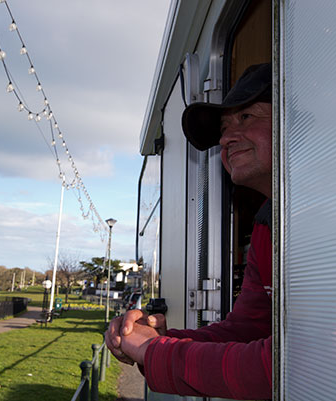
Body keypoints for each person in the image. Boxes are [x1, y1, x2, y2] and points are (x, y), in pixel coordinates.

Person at [105, 63, 273, 400]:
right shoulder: (266, 223)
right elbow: (250, 329)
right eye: (224, 128)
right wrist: (162, 340)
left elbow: (292, 365)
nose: (226, 138)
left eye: (247, 118)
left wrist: (155, 352)